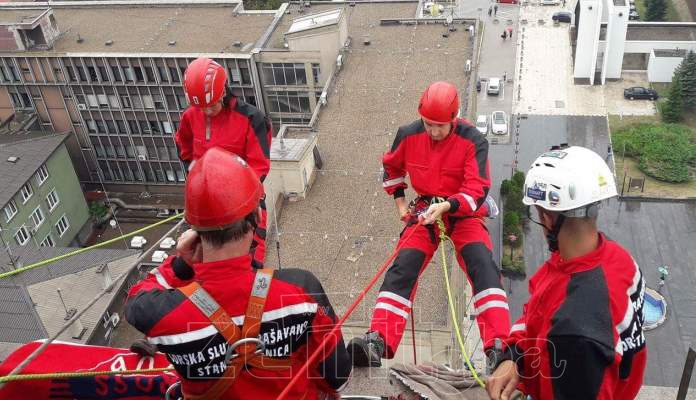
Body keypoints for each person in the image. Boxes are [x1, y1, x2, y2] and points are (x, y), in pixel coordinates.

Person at [126, 148, 352, 400]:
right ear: (257, 216)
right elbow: (337, 377)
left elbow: (135, 298)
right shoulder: (301, 290)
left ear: (195, 230)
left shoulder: (161, 316)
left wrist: (182, 265)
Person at [347, 81, 510, 368]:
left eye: (440, 126)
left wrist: (447, 206)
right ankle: (379, 339)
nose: (433, 132)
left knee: (481, 263)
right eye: (428, 124)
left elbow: (476, 188)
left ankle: (498, 346)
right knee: (404, 264)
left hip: (462, 211)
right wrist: (400, 205)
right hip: (425, 210)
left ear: (454, 119)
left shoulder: (473, 141)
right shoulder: (409, 135)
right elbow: (392, 167)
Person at [487, 146, 647, 400]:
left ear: (547, 217)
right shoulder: (619, 261)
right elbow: (537, 314)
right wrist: (515, 357)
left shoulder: (575, 329)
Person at [175, 57, 272, 268]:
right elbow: (184, 148)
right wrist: (195, 176)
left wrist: (233, 195)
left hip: (245, 202)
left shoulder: (252, 119)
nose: (207, 112)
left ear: (223, 93)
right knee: (198, 261)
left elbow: (260, 165)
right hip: (206, 203)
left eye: (212, 106)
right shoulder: (191, 116)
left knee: (250, 262)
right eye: (202, 108)